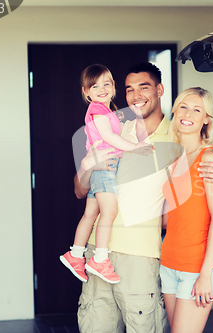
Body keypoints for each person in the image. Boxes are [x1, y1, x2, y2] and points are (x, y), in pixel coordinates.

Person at [73, 62, 213, 333]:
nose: (136, 96)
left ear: (160, 90)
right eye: (129, 90)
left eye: (144, 87)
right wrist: (87, 165)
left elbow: (201, 199)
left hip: (141, 256)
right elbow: (80, 191)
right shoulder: (112, 130)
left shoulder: (178, 136)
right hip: (96, 252)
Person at [60, 64, 151, 285]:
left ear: (113, 86)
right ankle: (100, 259)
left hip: (101, 168)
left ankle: (75, 254)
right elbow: (109, 138)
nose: (102, 89)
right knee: (108, 212)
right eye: (95, 86)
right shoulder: (97, 110)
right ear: (86, 92)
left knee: (91, 213)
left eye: (107, 84)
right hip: (105, 168)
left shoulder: (107, 111)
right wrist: (135, 147)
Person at [160, 87, 213, 333]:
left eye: (197, 109)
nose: (188, 114)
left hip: (196, 269)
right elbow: (172, 217)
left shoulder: (208, 158)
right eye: (183, 107)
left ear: (205, 119)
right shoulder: (173, 157)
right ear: (175, 111)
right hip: (168, 265)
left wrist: (205, 275)